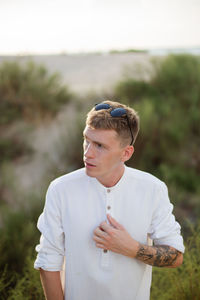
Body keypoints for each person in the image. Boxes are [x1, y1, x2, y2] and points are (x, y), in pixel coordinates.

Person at [34, 100, 185, 300]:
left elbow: (175, 256)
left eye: (100, 146)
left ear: (126, 153)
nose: (88, 153)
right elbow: (47, 262)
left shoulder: (152, 189)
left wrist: (131, 248)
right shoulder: (60, 189)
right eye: (86, 140)